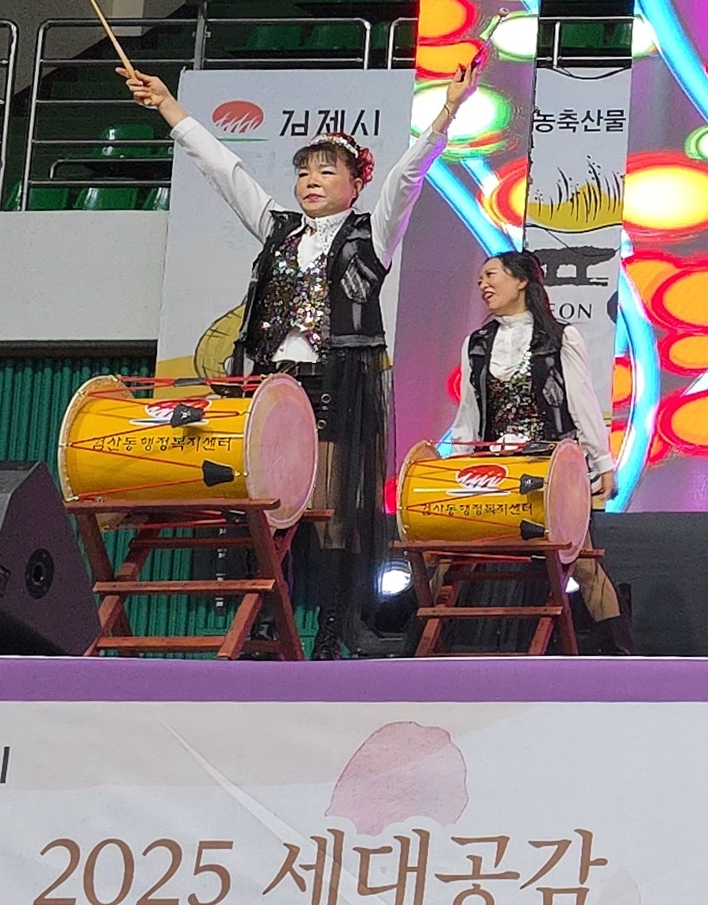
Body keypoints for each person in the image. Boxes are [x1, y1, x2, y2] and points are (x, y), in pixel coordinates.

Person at [123, 60, 462, 652]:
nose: (310, 181)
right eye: (303, 172)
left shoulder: (372, 235)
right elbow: (223, 170)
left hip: (337, 379)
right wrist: (168, 107)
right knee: (265, 504)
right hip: (273, 384)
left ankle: (330, 631)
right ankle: (260, 621)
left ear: (356, 185)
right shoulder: (278, 230)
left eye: (326, 171)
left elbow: (408, 177)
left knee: (330, 512)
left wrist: (447, 112)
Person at [438, 248, 625, 649]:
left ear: (521, 280)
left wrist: (603, 463)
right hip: (494, 473)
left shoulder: (560, 338)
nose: (483, 284)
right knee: (450, 556)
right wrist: (456, 470)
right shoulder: (476, 344)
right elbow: (469, 412)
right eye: (480, 279)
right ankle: (430, 651)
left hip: (551, 471)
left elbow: (582, 403)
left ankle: (619, 654)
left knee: (584, 565)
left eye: (491, 275)